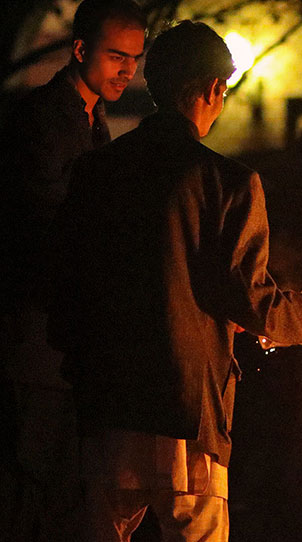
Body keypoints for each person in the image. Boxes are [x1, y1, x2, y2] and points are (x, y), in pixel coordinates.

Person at [46, 21, 302, 542]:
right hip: (187, 409)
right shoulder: (227, 182)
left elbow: (69, 285)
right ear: (212, 89)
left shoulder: (98, 171)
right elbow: (255, 302)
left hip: (107, 405)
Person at [0, 1, 146, 539]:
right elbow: (45, 226)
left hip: (63, 344)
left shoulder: (90, 118)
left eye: (134, 57)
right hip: (36, 340)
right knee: (35, 489)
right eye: (115, 56)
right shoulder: (43, 120)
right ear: (81, 49)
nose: (127, 69)